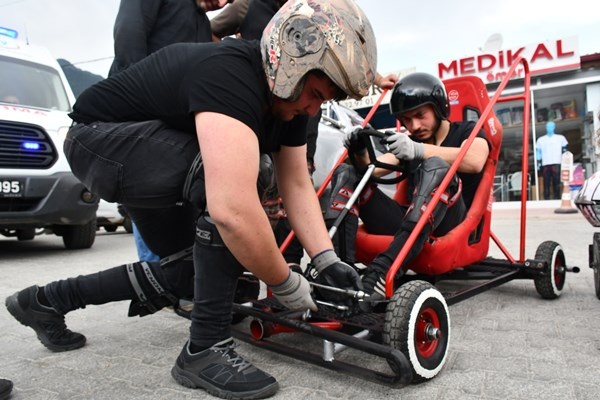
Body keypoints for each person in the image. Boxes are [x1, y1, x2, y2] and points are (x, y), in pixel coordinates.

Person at [5, 1, 375, 398]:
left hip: (152, 153)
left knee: (193, 271)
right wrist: (283, 282)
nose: (313, 107)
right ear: (289, 61)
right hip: (99, 140)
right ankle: (205, 350)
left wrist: (326, 260)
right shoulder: (232, 72)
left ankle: (44, 301)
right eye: (315, 94)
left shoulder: (291, 103)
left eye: (325, 100)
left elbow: (297, 184)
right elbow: (232, 210)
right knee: (240, 194)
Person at [211, 0, 397, 267]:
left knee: (297, 184)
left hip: (296, 107)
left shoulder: (318, 12)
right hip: (256, 106)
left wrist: (377, 80)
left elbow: (344, 50)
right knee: (250, 185)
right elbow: (212, 30)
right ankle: (244, 266)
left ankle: (290, 262)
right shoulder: (247, 6)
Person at [325, 72, 490, 307]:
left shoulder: (466, 131)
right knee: (348, 173)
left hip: (452, 225)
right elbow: (372, 171)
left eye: (420, 115)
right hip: (410, 225)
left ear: (439, 108)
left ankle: (384, 270)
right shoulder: (411, 141)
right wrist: (358, 151)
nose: (414, 126)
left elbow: (475, 160)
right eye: (407, 120)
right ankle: (341, 272)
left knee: (436, 166)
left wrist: (418, 150)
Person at [109, 0, 231, 261]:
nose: (220, 3)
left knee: (176, 208)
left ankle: (172, 282)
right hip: (143, 117)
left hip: (177, 128)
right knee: (152, 198)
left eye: (228, 2)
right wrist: (137, 100)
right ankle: (156, 285)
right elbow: (128, 33)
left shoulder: (201, 22)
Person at [536, 121, 568, 200]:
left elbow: (565, 150)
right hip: (545, 163)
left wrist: (565, 161)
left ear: (554, 127)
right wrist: (538, 162)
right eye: (547, 127)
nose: (549, 128)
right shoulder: (541, 140)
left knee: (556, 181)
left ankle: (557, 197)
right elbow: (538, 152)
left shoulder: (560, 138)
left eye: (550, 127)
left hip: (557, 162)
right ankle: (546, 198)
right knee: (546, 182)